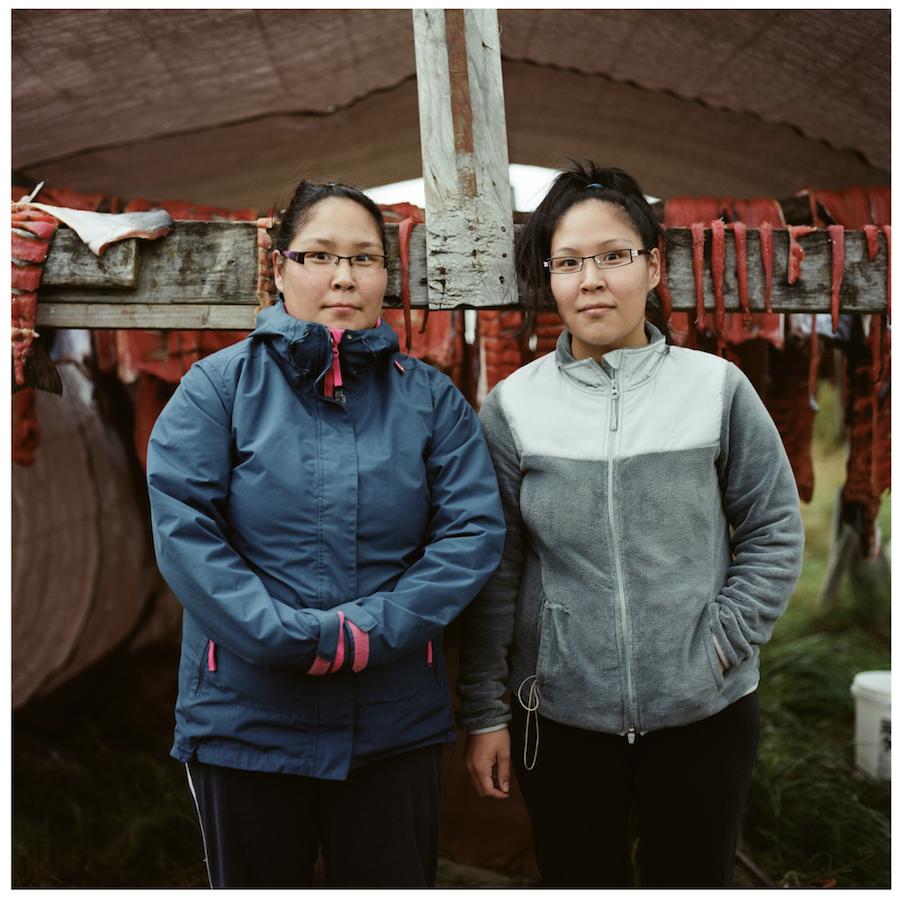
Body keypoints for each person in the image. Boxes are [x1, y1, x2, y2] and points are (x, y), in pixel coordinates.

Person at [146, 180, 506, 888]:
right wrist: (282, 634)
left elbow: (470, 534)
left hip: (392, 721)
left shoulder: (432, 401)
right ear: (279, 268)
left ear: (385, 276)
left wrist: (372, 628)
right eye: (319, 255)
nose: (344, 275)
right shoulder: (216, 389)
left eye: (365, 258)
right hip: (245, 717)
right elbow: (185, 530)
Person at [455, 161, 805, 888]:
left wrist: (719, 643)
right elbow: (497, 567)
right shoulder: (514, 408)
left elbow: (772, 528)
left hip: (705, 710)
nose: (592, 279)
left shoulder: (715, 389)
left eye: (613, 255)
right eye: (568, 262)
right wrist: (485, 710)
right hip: (559, 717)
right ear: (547, 280)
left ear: (651, 267)